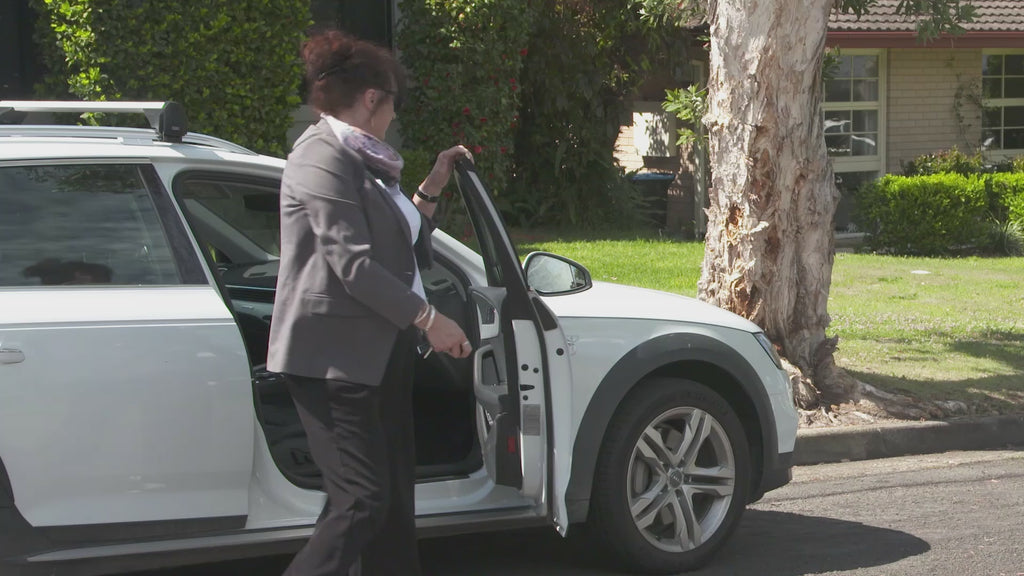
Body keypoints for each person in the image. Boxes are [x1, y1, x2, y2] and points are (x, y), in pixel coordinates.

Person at [266, 28, 472, 576]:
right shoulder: (320, 158)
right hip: (331, 359)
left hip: (378, 354)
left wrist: (432, 184)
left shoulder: (363, 160)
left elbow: (395, 240)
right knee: (360, 501)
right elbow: (353, 265)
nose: (392, 119)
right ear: (373, 98)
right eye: (392, 106)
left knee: (391, 505)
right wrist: (430, 318)